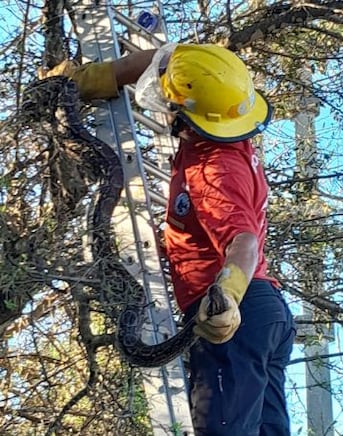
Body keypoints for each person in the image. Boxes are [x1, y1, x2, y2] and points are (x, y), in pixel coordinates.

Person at [44, 43, 295, 435]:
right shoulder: (221, 97)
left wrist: (227, 296)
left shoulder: (215, 170)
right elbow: (167, 56)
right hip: (266, 315)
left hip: (233, 316)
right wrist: (99, 77)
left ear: (188, 118)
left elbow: (243, 241)